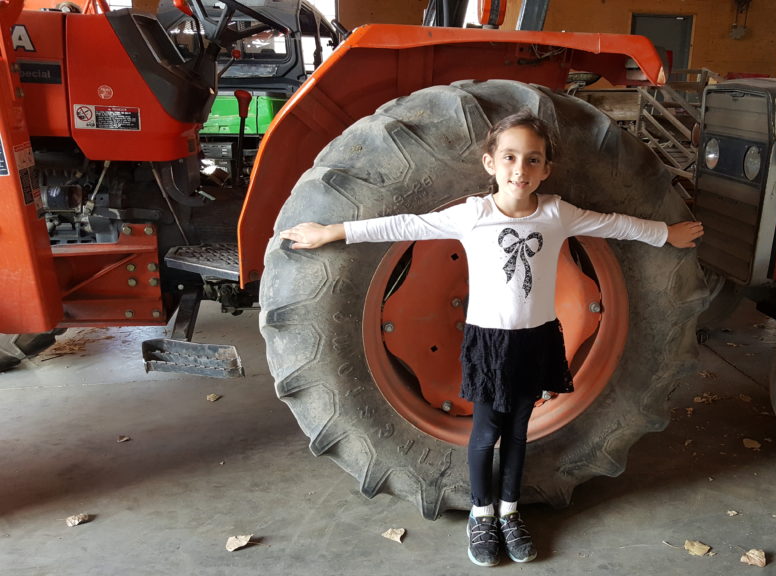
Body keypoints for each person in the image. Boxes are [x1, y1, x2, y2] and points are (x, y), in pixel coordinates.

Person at [280, 110, 704, 567]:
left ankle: (510, 512)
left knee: (518, 433)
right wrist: (332, 231)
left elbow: (617, 224)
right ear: (490, 164)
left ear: (546, 169)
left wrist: (665, 234)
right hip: (488, 344)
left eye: (532, 160)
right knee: (485, 434)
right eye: (510, 157)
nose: (520, 170)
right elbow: (403, 225)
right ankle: (482, 517)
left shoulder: (558, 214)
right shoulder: (472, 215)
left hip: (536, 341)